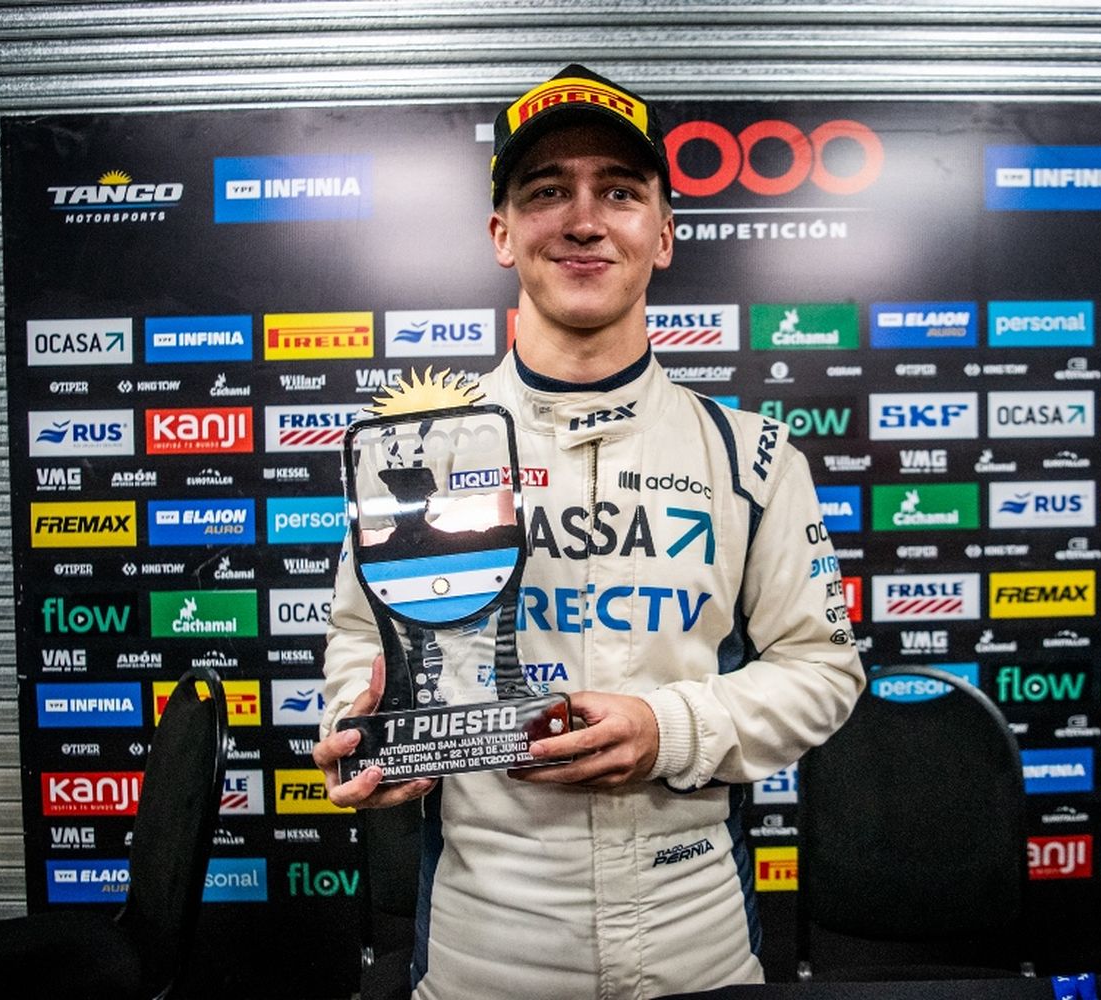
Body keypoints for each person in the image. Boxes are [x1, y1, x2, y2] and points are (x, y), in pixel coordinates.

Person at [314, 64, 864, 1000]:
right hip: (484, 961)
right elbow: (362, 641)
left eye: (618, 191)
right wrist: (367, 726)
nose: (582, 219)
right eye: (545, 192)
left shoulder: (754, 455)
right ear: (501, 234)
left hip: (700, 952)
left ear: (663, 233)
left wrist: (668, 729)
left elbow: (824, 669)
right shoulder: (420, 450)